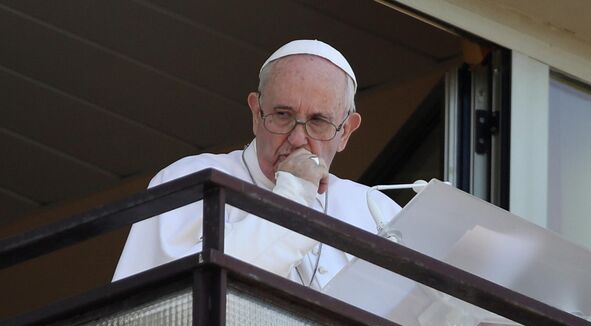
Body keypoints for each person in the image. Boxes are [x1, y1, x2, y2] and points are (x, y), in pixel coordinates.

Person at [112, 40, 401, 290]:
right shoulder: (192, 179)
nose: (298, 138)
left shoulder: (375, 211)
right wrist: (296, 194)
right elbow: (180, 302)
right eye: (283, 114)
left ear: (346, 131)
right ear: (255, 113)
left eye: (318, 121)